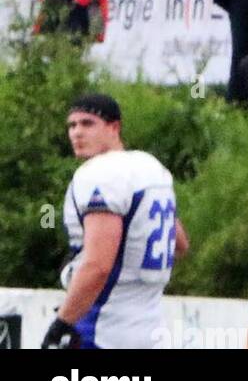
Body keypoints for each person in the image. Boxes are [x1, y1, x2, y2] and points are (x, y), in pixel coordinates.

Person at [43, 93, 188, 350]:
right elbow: (180, 242)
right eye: (72, 125)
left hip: (102, 327)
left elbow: (98, 265)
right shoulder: (150, 167)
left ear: (114, 127)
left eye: (87, 124)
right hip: (151, 328)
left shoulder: (100, 174)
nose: (76, 133)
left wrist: (62, 323)